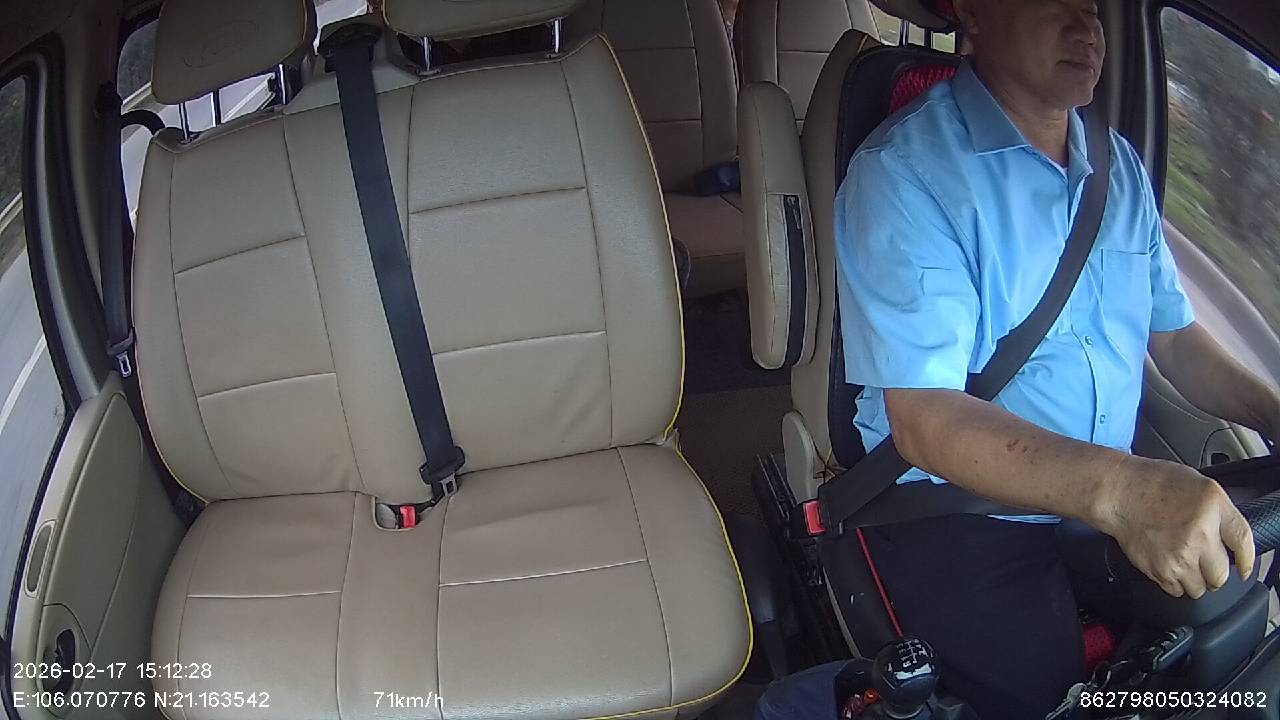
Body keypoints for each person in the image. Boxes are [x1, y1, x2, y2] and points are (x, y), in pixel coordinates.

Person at [757, 0, 1280, 718]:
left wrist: (1273, 412)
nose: (1087, 26)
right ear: (973, 14)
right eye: (1054, 1)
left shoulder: (1120, 167)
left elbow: (1177, 341)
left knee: (1220, 652)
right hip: (957, 509)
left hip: (1099, 497)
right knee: (1045, 699)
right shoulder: (908, 172)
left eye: (1093, 6)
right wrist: (1125, 490)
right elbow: (926, 420)